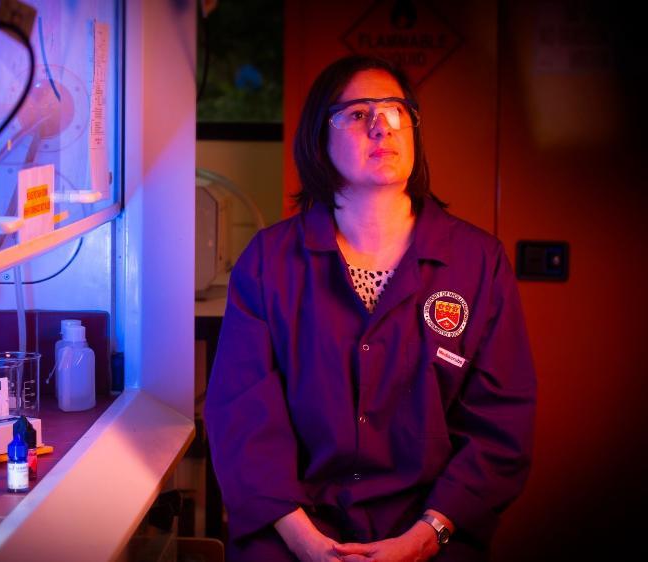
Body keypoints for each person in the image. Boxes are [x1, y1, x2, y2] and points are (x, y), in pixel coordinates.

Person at [202, 55, 536, 561]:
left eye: (396, 111)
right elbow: (240, 415)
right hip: (291, 533)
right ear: (319, 137)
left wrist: (424, 539)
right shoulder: (269, 262)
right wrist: (307, 543)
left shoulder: (478, 262)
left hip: (431, 535)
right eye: (358, 114)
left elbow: (500, 430)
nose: (383, 126)